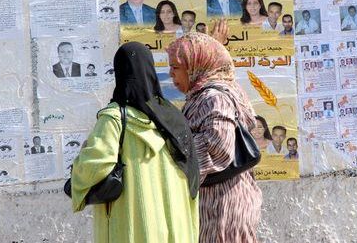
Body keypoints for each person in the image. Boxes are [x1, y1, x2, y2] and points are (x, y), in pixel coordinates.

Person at [71, 42, 199, 243]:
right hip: (174, 226)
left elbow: (94, 165)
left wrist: (77, 170)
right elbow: (193, 176)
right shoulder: (173, 118)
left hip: (135, 227)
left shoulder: (114, 119)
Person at [166, 33, 262, 242]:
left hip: (223, 208)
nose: (170, 74)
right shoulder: (207, 93)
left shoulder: (214, 98)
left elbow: (218, 146)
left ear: (195, 65)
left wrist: (172, 155)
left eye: (175, 67)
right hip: (219, 206)